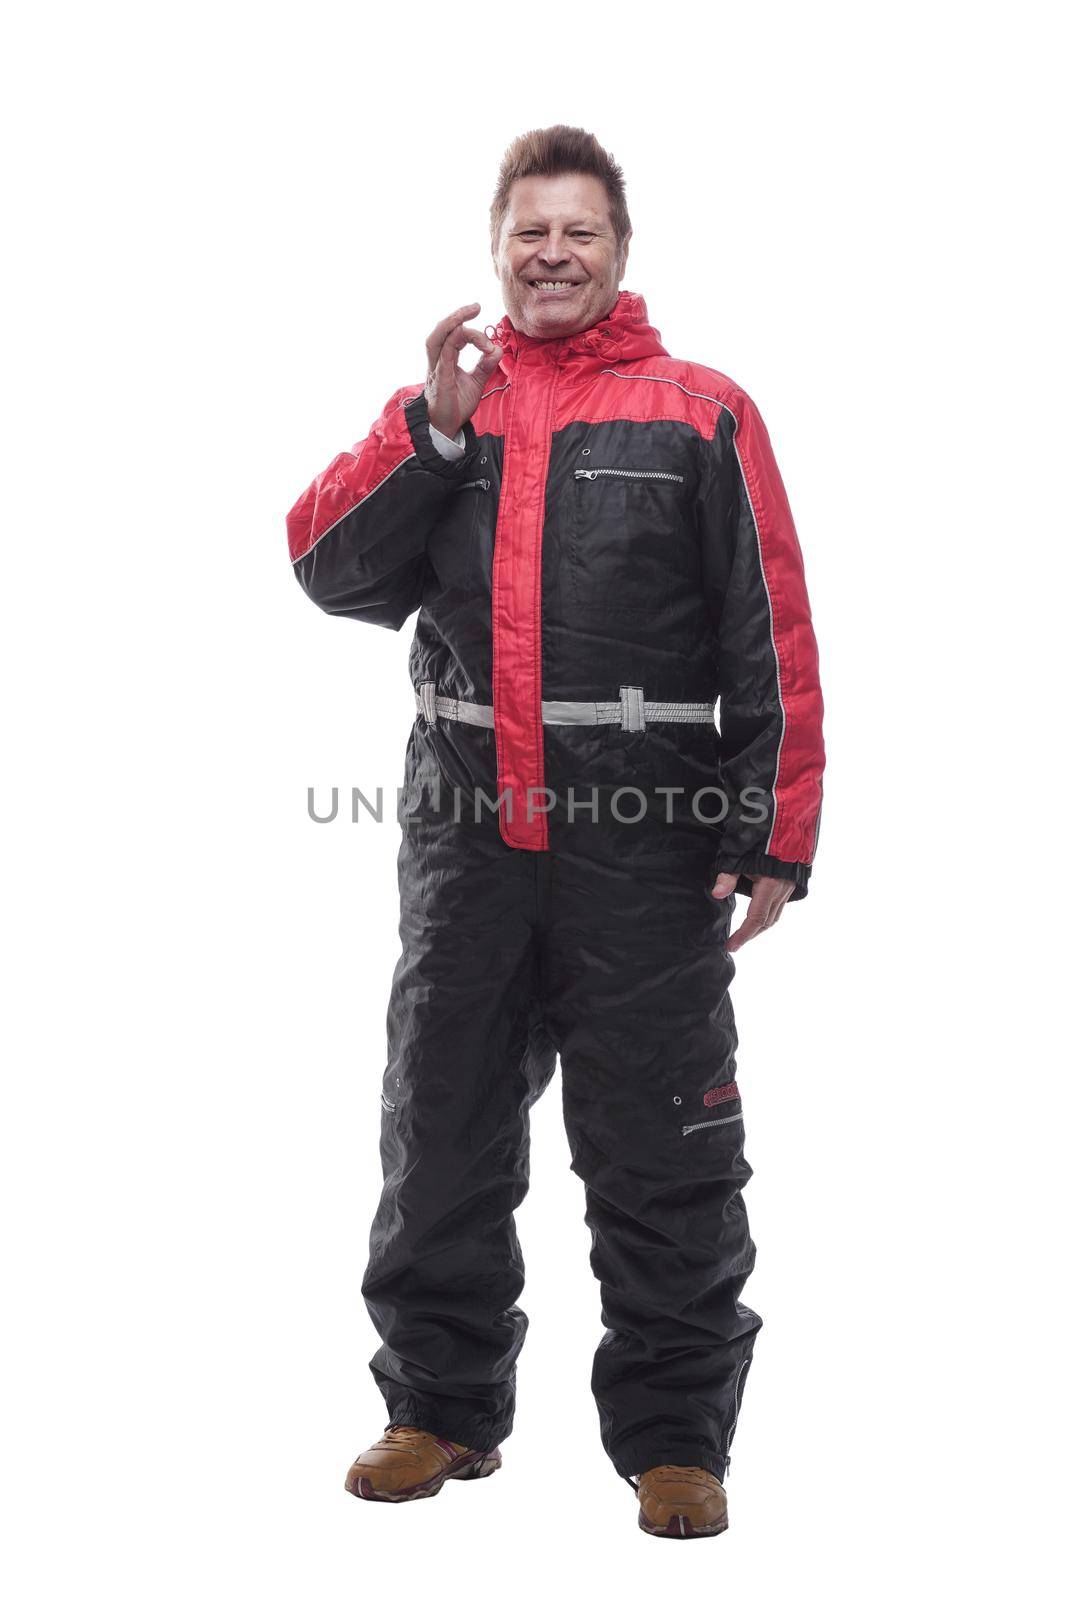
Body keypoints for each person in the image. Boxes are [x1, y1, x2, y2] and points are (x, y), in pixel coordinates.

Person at [285, 123, 825, 1540]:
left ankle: (675, 1439)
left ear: (620, 250)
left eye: (580, 228)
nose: (553, 250)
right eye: (530, 228)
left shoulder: (699, 412)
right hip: (470, 847)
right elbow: (324, 570)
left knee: (664, 1145)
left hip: (645, 846)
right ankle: (437, 1410)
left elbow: (770, 628)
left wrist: (775, 828)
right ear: (498, 248)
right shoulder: (447, 421)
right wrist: (431, 427)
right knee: (442, 1131)